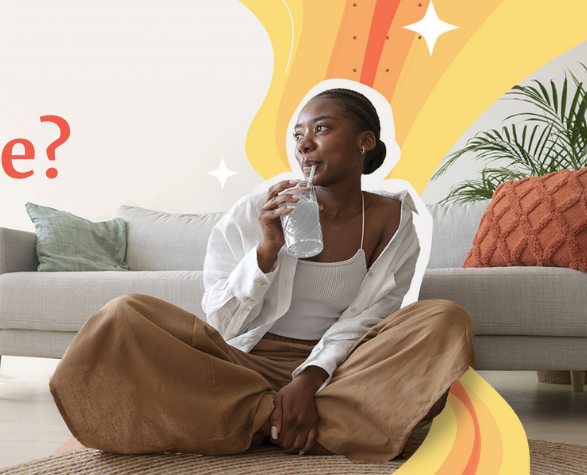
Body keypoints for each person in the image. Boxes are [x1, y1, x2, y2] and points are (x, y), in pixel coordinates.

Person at [48, 87, 477, 464]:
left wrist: (309, 379)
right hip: (242, 365)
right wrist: (267, 248)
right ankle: (317, 423)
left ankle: (252, 422)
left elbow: (371, 316)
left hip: (341, 369)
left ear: (365, 141)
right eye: (298, 135)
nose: (304, 145)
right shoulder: (254, 212)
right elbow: (221, 322)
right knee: (123, 316)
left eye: (321, 130)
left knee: (444, 319)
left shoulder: (393, 220)